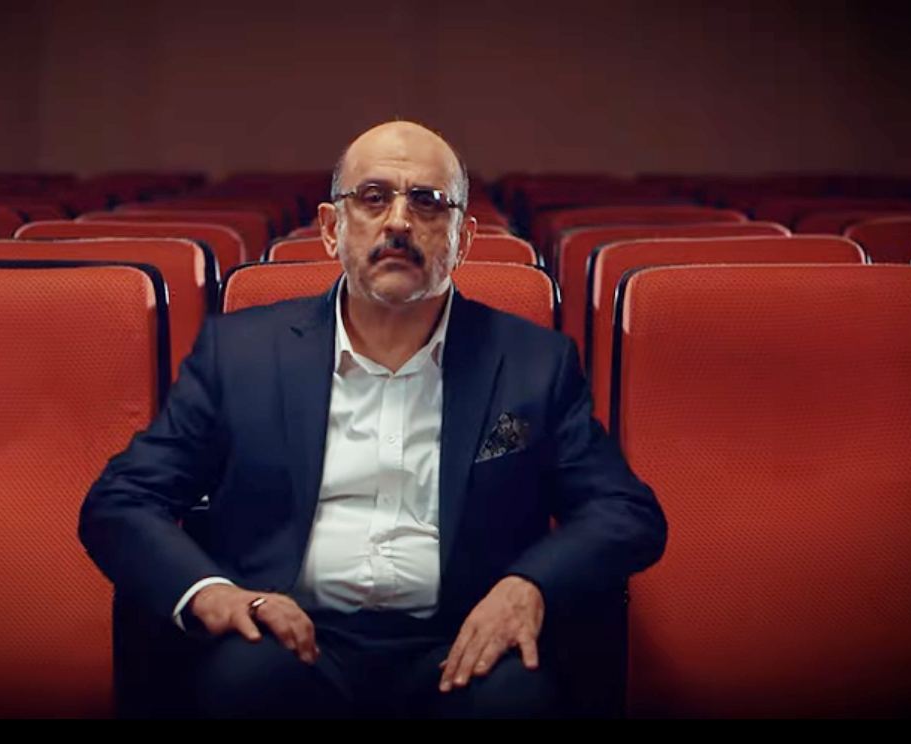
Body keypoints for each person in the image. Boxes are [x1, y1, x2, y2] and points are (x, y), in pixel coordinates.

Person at [79, 121, 666, 718]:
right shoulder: (239, 355)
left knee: (518, 702)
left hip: (463, 640)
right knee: (239, 688)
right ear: (332, 228)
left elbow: (626, 512)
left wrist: (529, 586)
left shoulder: (534, 363)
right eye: (373, 197)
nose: (399, 222)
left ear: (463, 238)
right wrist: (215, 595)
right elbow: (122, 501)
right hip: (285, 637)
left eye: (428, 202)